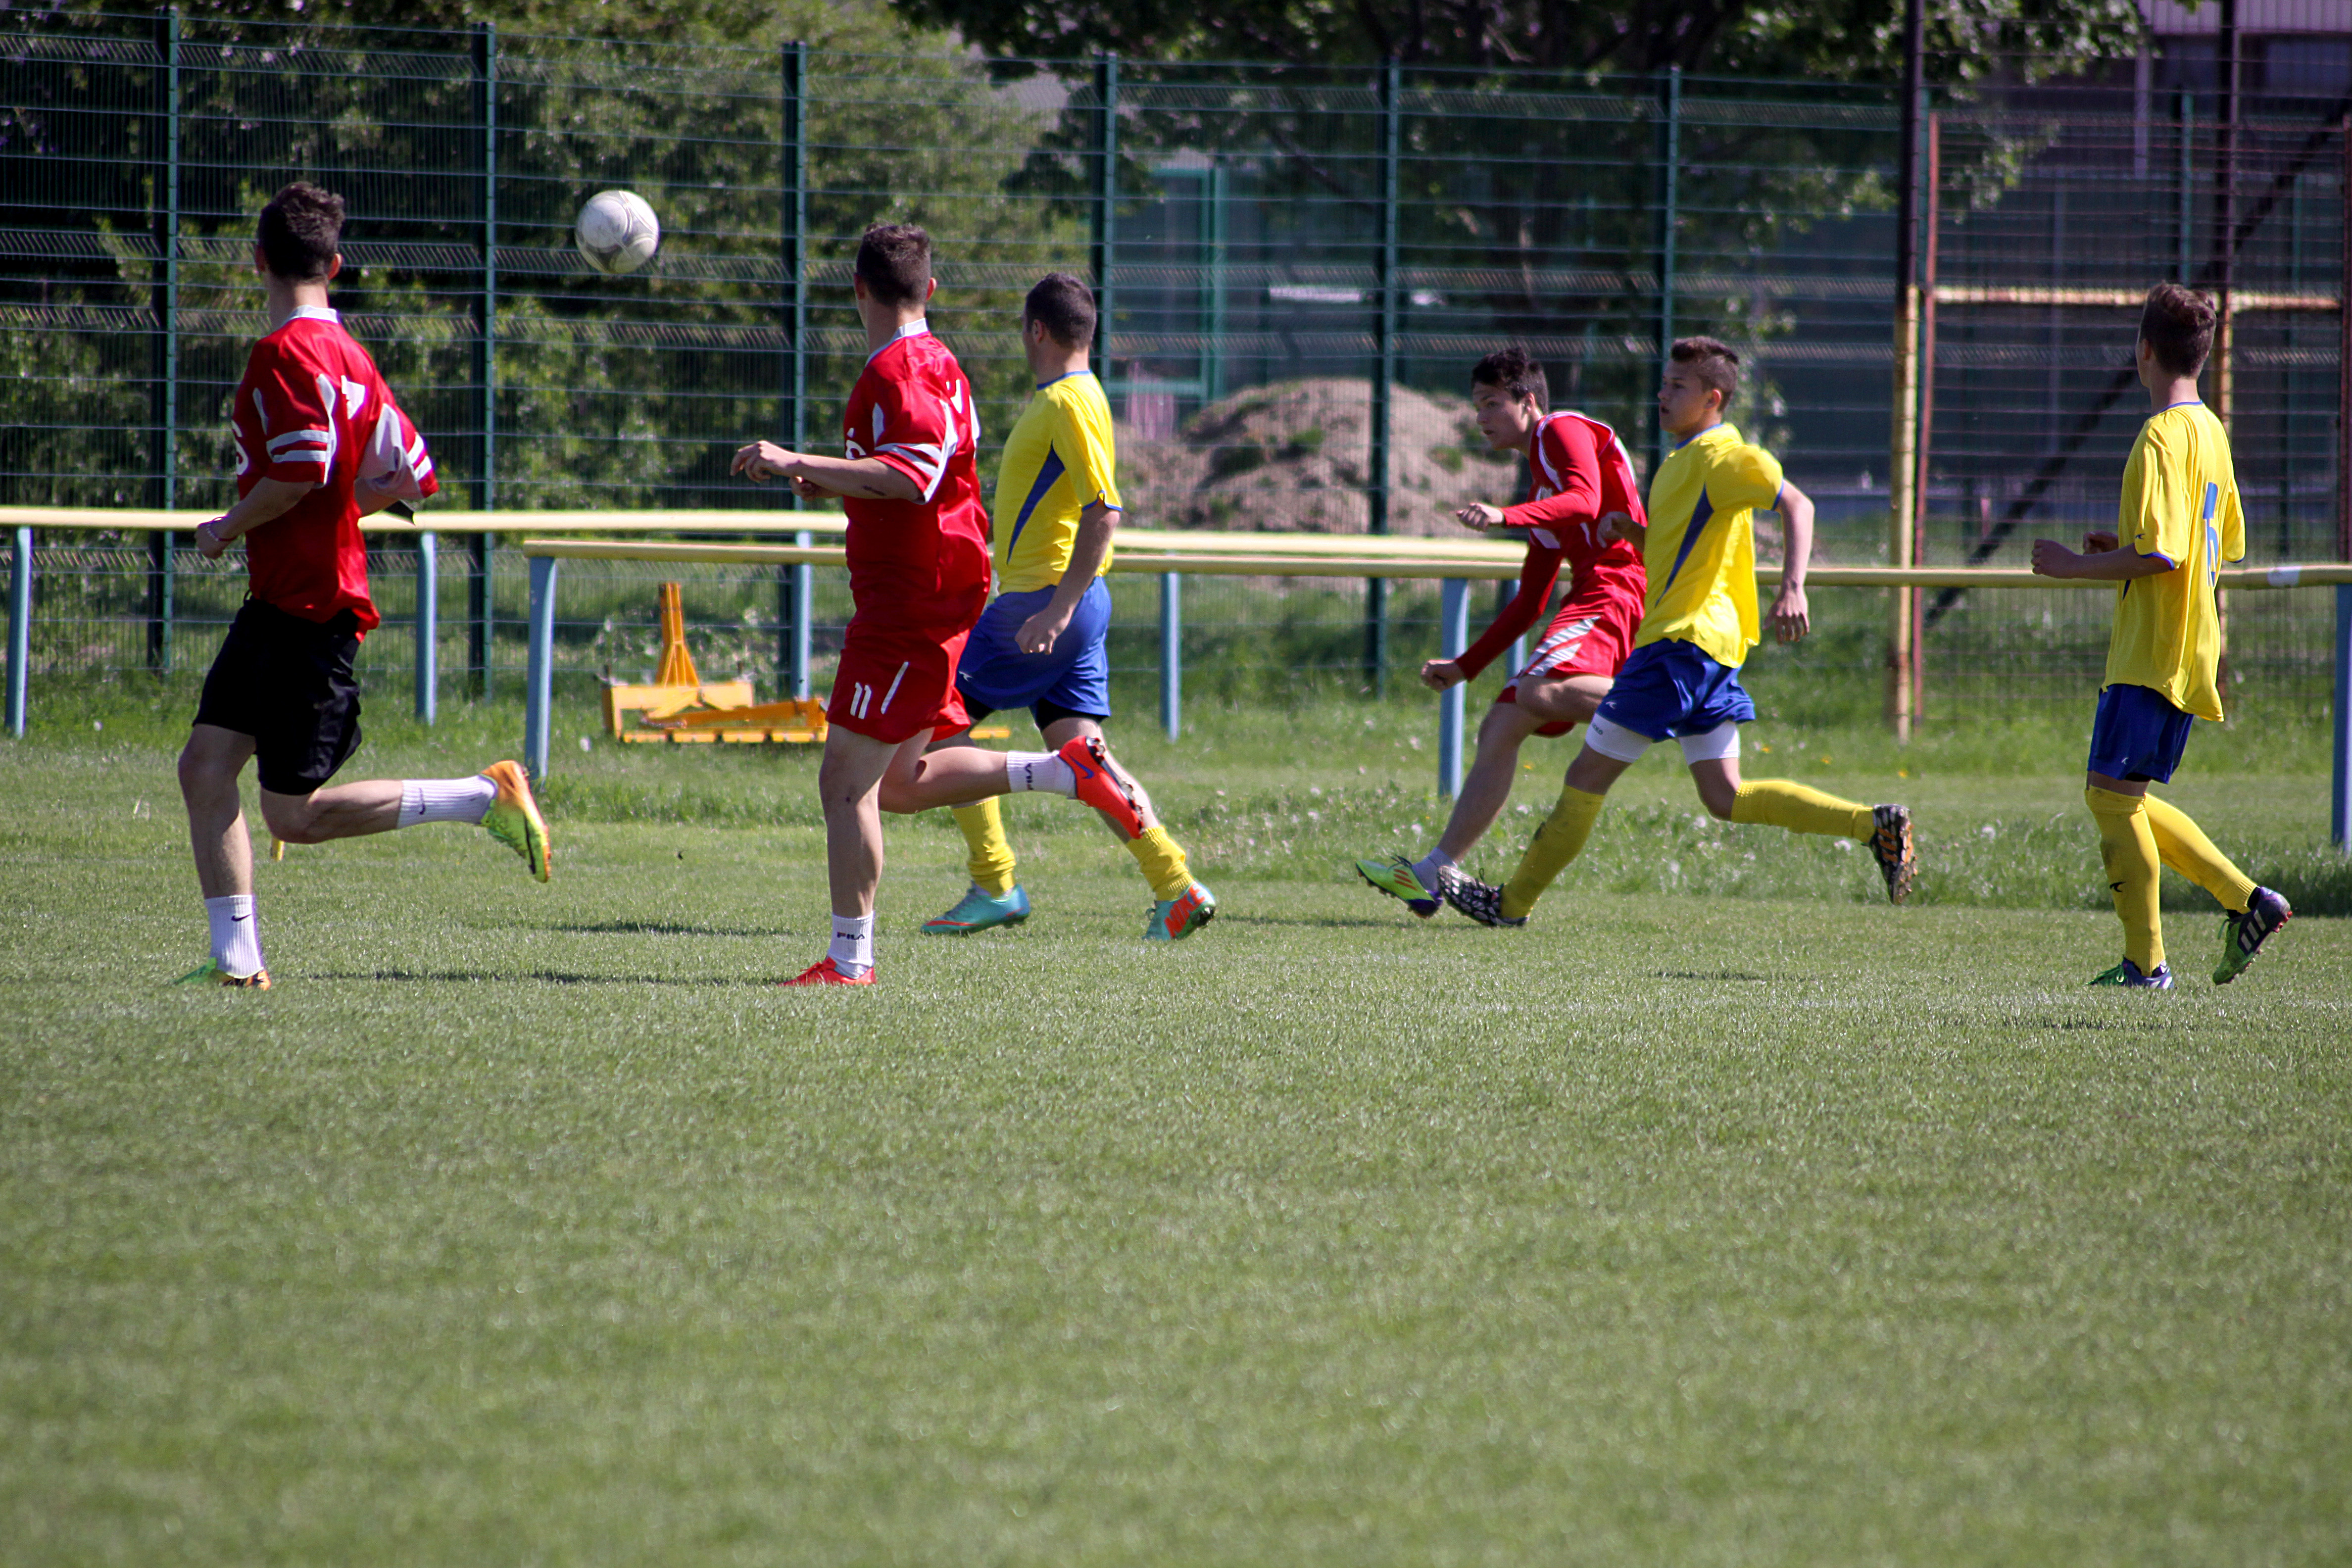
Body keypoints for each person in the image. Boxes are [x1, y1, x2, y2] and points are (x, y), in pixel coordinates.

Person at [732, 227, 1144, 986]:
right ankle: (1061, 772)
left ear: (859, 290)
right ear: (930, 290)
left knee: (845, 783)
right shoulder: (941, 363)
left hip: (908, 600)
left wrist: (797, 460)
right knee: (898, 783)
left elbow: (916, 475)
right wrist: (838, 479)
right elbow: (931, 468)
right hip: (930, 587)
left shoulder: (904, 369)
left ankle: (850, 960)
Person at [175, 182, 552, 990]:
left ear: (258, 260)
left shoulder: (283, 354)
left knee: (293, 816)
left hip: (312, 609)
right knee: (205, 767)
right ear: (337, 265)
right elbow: (413, 474)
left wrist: (228, 526)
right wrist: (337, 509)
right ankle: (236, 963)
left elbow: (302, 470)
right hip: (281, 601)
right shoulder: (353, 356)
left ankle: (480, 796)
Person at [1439, 336, 1917, 927]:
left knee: (1585, 774)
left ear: (1713, 398)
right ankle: (1873, 824)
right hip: (1707, 651)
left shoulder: (1724, 456)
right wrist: (1632, 533)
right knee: (1726, 797)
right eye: (1663, 383)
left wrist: (1794, 587)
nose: (1662, 394)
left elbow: (1799, 504)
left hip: (1680, 644)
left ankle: (1510, 905)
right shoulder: (1677, 464)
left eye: (1678, 386)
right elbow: (1680, 553)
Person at [889, 274, 1214, 943]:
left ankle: (995, 881)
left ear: (1035, 330)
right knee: (1082, 753)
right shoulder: (1077, 395)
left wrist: (1057, 611)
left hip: (1043, 607)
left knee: (935, 722)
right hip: (1065, 603)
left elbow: (1105, 511)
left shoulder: (1068, 400)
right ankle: (1175, 885)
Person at [2029, 284, 2292, 988]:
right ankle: (2249, 903)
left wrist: (2074, 564)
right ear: (2202, 356)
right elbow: (2218, 542)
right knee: (2125, 798)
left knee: (2110, 800)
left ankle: (2147, 965)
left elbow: (2164, 554)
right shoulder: (2211, 432)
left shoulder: (2158, 437)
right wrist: (2121, 545)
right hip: (2191, 644)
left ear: (2143, 350)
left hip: (2152, 648)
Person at [1355, 345, 1647, 917]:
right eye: (1477, 406)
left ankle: (1674, 708)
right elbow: (1530, 602)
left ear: (1528, 401)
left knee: (1538, 690)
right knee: (1502, 724)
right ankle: (1431, 874)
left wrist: (1503, 515)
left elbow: (1586, 498)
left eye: (1492, 403)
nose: (1481, 417)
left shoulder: (1561, 429)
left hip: (1616, 589)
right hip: (1591, 595)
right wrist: (1465, 666)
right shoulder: (1542, 493)